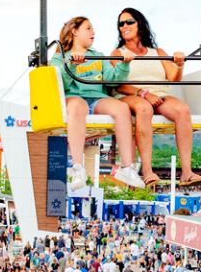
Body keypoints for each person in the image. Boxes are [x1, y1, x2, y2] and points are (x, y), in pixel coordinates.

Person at [111, 8, 201, 187]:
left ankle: (187, 172)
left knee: (182, 110)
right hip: (130, 94)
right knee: (144, 108)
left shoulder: (158, 52)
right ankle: (147, 171)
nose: (124, 26)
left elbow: (173, 78)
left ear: (140, 24)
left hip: (159, 94)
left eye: (129, 22)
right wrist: (144, 93)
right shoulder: (117, 53)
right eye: (120, 24)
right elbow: (116, 82)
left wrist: (179, 65)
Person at [50, 16, 146, 189]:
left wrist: (124, 65)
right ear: (75, 32)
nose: (93, 32)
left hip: (97, 98)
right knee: (79, 105)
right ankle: (77, 167)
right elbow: (61, 85)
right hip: (74, 98)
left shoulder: (98, 56)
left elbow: (111, 80)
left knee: (122, 108)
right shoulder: (60, 58)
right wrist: (72, 65)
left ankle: (127, 166)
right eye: (88, 28)